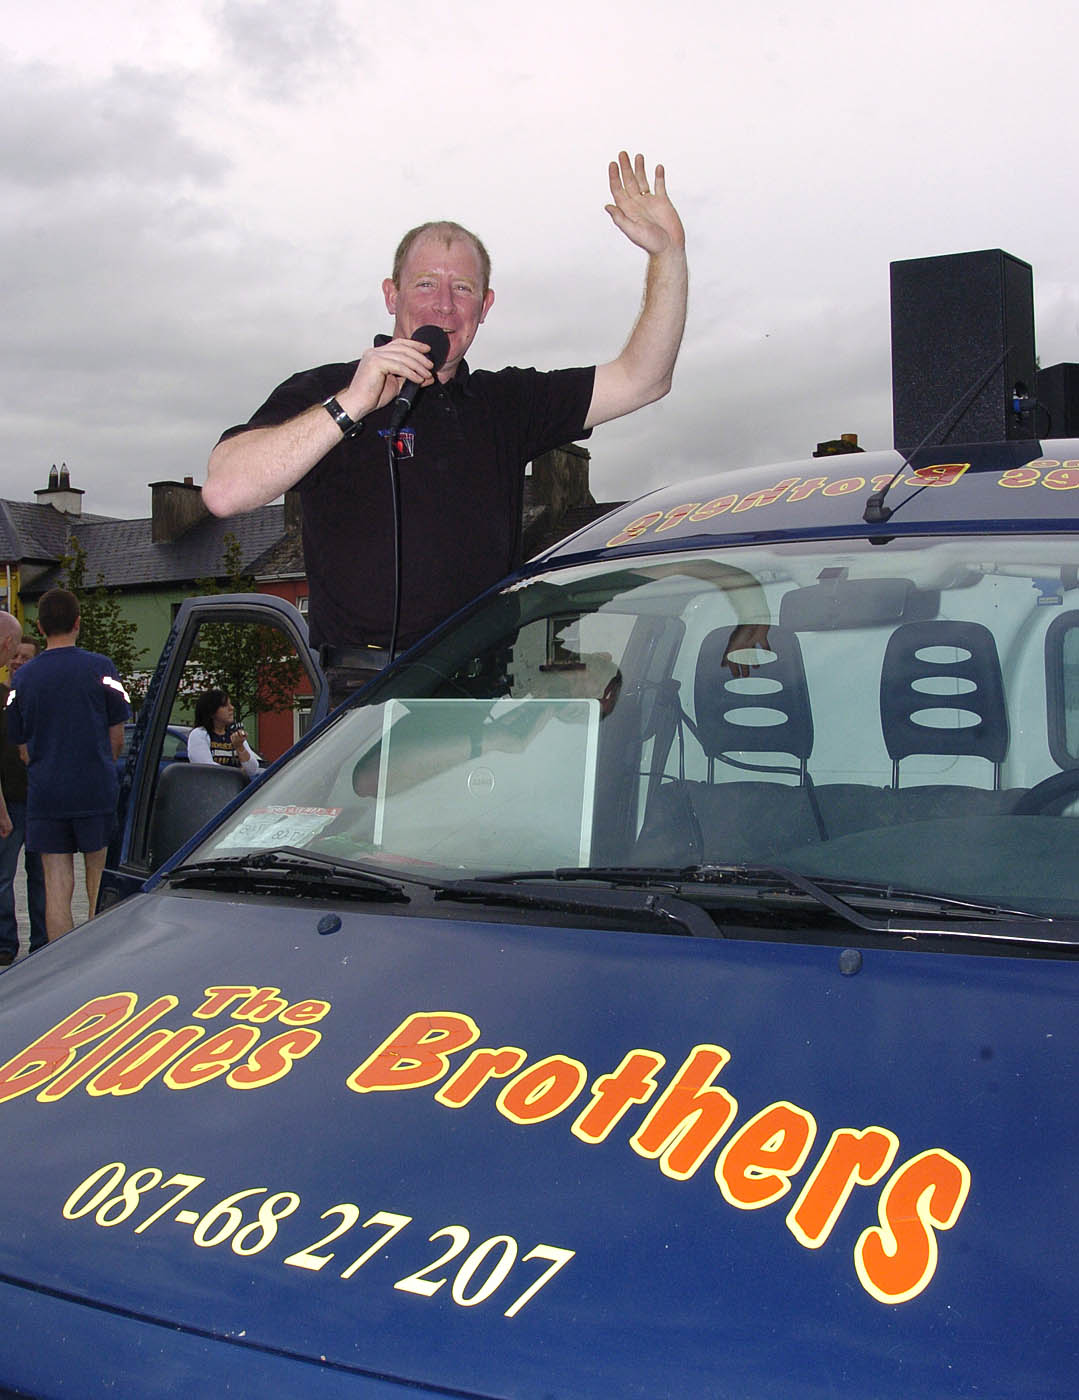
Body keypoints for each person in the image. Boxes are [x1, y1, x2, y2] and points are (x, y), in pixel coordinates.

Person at [204, 152, 687, 706]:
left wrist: (668, 255)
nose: (443, 305)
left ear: (485, 307)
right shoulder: (327, 391)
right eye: (426, 284)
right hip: (362, 698)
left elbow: (645, 378)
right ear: (391, 295)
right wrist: (352, 406)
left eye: (463, 290)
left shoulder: (503, 404)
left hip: (476, 696)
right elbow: (224, 490)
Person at [5, 589, 130, 941]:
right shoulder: (102, 669)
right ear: (78, 623)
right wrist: (102, 765)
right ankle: (95, 957)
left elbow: (22, 745)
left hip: (46, 793)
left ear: (40, 627)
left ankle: (62, 962)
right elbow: (117, 736)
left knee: (56, 886)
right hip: (94, 787)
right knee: (98, 880)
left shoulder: (23, 679)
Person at [0, 630, 46, 964]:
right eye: (15, 656)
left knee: (42, 876)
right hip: (8, 800)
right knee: (2, 876)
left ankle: (43, 943)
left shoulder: (41, 699)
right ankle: (5, 944)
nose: (17, 661)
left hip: (41, 801)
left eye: (25, 657)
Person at [188, 689, 260, 779]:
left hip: (236, 790)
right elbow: (207, 768)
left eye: (230, 704)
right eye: (225, 705)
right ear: (211, 711)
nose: (231, 708)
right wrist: (238, 773)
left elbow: (253, 769)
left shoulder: (235, 735)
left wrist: (240, 747)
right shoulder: (200, 734)